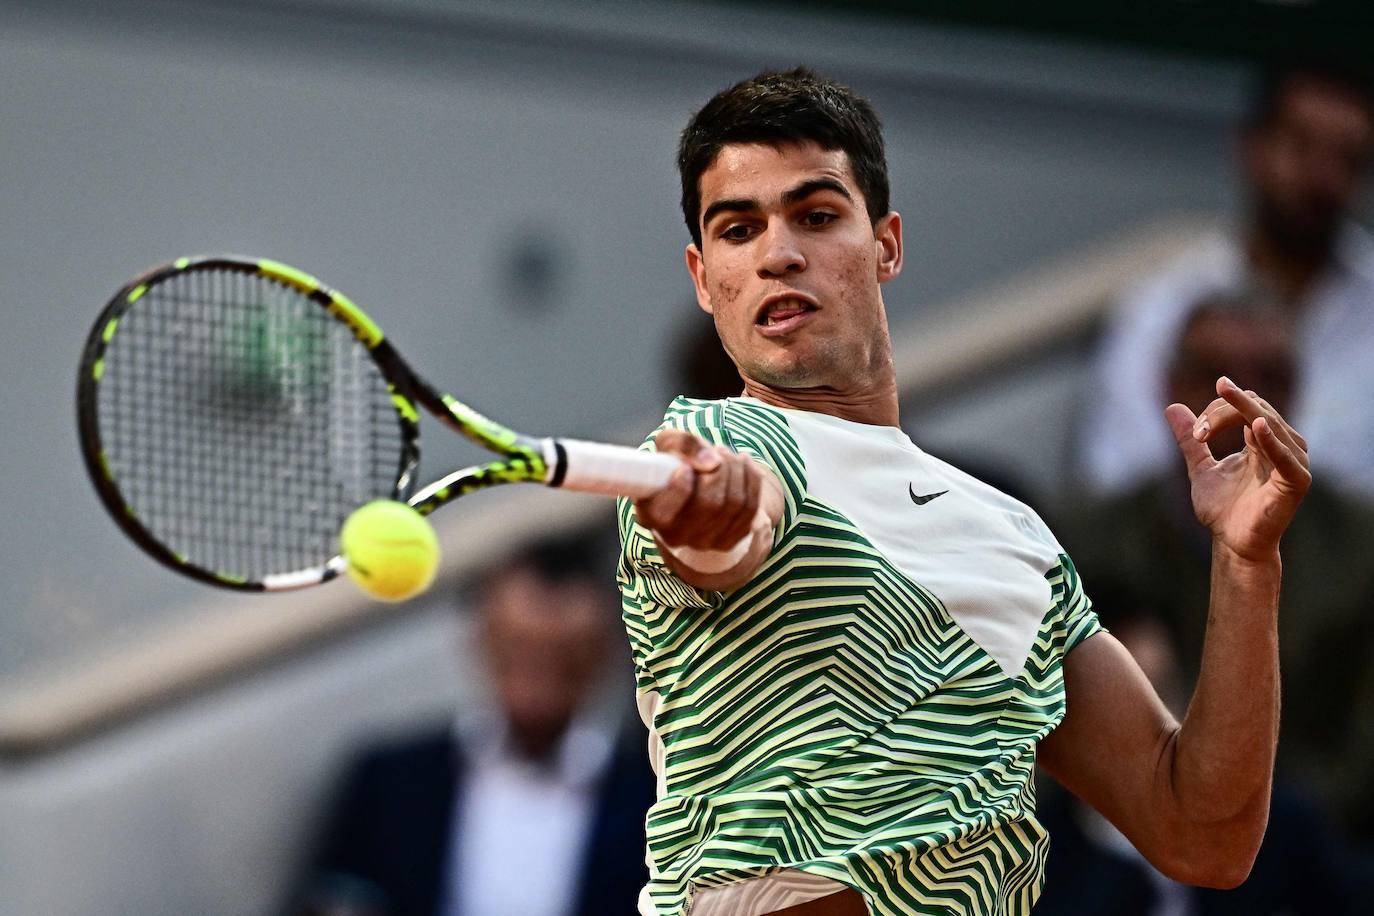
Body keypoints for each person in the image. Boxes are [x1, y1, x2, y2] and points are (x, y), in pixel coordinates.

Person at [616, 68, 1311, 916]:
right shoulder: (705, 450)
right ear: (703, 276)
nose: (777, 253)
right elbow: (724, 535)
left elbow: (1202, 834)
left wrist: (1245, 561)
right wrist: (711, 511)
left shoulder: (1013, 535)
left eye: (817, 215)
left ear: (887, 244)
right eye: (738, 229)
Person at [1064, 292, 1374, 842]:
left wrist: (1244, 819)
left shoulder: (1357, 547)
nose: (1245, 404)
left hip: (1307, 846)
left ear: (1296, 394)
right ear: (1168, 388)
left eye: (1270, 378)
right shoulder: (1088, 545)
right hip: (1128, 839)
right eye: (1219, 378)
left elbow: (1362, 755)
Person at [296, 529, 655, 916]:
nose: (535, 681)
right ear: (481, 639)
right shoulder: (389, 782)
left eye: (563, 658)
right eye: (518, 649)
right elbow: (329, 899)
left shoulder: (652, 803)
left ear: (604, 655)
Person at [1082, 56, 1374, 498]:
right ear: (1250, 147)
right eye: (1302, 146)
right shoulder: (1165, 302)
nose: (1321, 176)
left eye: (1346, 158)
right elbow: (1119, 476)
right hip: (1185, 553)